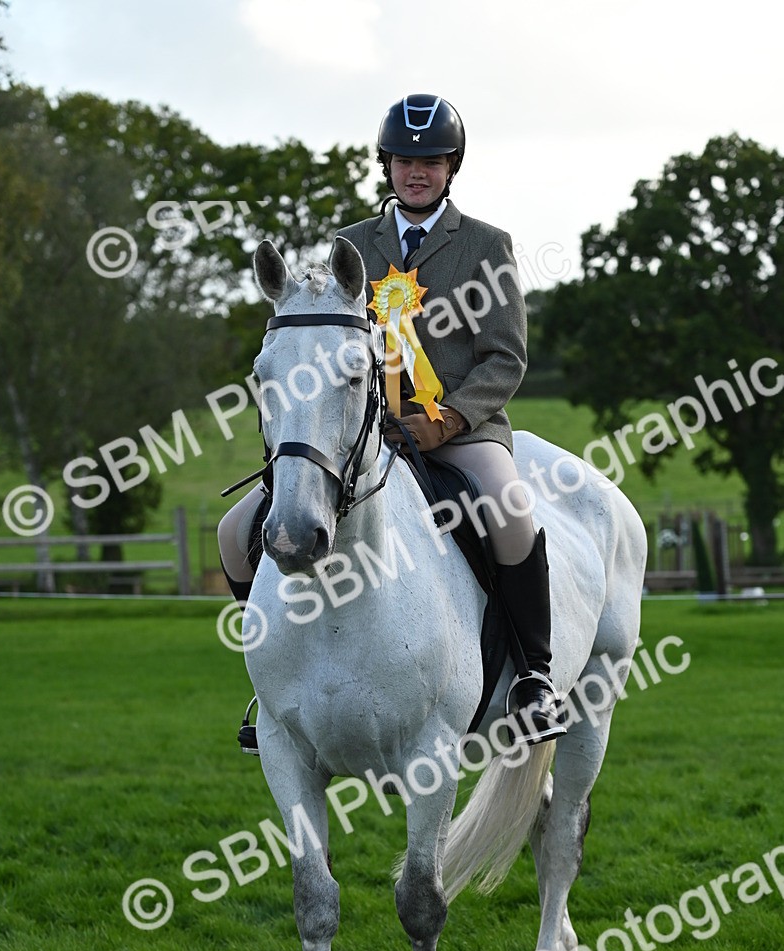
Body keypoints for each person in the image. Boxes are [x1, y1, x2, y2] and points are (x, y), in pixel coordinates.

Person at [218, 93, 565, 745]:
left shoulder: (486, 245)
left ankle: (534, 678)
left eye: (431, 162)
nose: (417, 172)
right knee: (234, 533)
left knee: (510, 511)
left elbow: (506, 357)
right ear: (386, 165)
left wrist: (450, 419)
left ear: (451, 167)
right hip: (363, 435)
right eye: (405, 160)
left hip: (461, 431)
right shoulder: (351, 245)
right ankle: (273, 684)